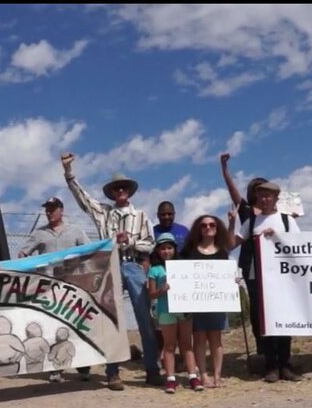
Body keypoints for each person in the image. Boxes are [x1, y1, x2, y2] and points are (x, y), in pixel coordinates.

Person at [62, 152, 159, 390]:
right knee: (111, 319)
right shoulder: (103, 212)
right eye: (116, 189)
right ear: (112, 193)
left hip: (134, 265)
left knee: (145, 319)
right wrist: (68, 172)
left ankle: (152, 369)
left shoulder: (141, 216)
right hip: (109, 266)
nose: (120, 191)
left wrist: (131, 243)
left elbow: (150, 243)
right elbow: (82, 198)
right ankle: (112, 372)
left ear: (129, 191)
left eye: (123, 188)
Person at [232, 181, 302, 383]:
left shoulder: (287, 221)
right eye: (261, 195)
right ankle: (271, 365)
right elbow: (232, 243)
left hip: (283, 278)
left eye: (268, 195)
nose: (264, 199)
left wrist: (277, 236)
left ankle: (285, 364)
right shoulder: (252, 222)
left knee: (284, 320)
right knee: (265, 321)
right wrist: (229, 223)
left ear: (276, 198)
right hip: (257, 278)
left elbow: (299, 245)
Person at [17, 196, 93, 383]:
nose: (49, 212)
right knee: (53, 326)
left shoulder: (76, 232)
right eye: (47, 209)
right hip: (48, 288)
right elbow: (23, 253)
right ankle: (56, 368)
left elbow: (90, 252)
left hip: (73, 287)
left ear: (62, 210)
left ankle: (83, 367)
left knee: (77, 326)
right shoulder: (39, 234)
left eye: (53, 208)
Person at [179, 212, 236, 389]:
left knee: (216, 339)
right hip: (196, 303)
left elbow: (226, 274)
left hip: (217, 302)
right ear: (199, 229)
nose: (208, 228)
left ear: (217, 228)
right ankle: (203, 375)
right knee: (199, 339)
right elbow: (182, 274)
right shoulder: (190, 251)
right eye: (204, 225)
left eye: (212, 225)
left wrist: (232, 280)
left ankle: (218, 375)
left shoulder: (223, 253)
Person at [221, 153, 269, 356]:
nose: (262, 194)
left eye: (265, 191)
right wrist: (224, 168)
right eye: (258, 191)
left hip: (274, 267)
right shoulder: (246, 211)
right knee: (257, 308)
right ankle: (261, 349)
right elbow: (233, 193)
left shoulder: (277, 213)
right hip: (251, 266)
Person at [148, 233, 200, 393]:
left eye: (169, 248)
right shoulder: (154, 270)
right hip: (166, 311)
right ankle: (170, 379)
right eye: (162, 248)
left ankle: (193, 376)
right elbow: (151, 294)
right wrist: (161, 290)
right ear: (157, 251)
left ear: (174, 249)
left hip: (184, 309)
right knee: (169, 345)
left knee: (186, 343)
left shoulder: (183, 267)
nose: (166, 251)